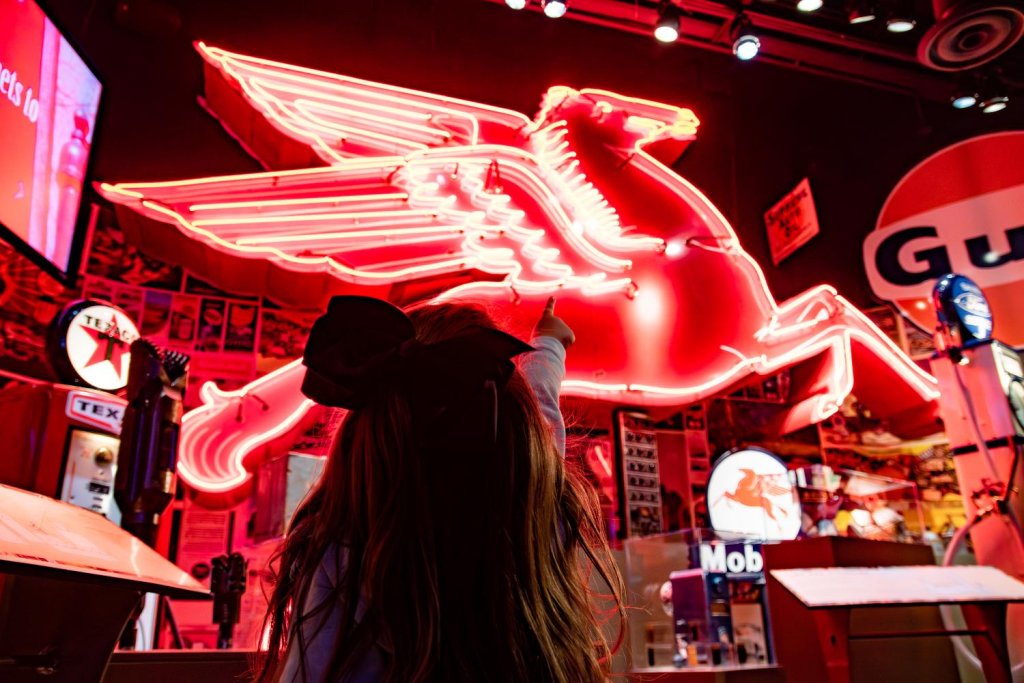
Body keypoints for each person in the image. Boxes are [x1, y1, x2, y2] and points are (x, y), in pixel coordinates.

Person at [257, 295, 624, 683]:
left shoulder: (339, 555)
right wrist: (548, 347)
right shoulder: (533, 524)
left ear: (366, 446)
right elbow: (541, 424)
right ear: (523, 458)